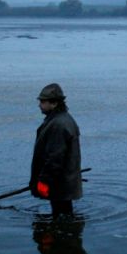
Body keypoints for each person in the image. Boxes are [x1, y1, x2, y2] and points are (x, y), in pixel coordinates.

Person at [30, 83, 83, 216]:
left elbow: (55, 157)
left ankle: (60, 235)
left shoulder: (59, 124)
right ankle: (65, 234)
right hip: (63, 181)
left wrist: (43, 181)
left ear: (54, 103)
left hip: (59, 182)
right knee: (64, 213)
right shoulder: (61, 120)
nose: (39, 105)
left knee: (61, 214)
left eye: (43, 101)